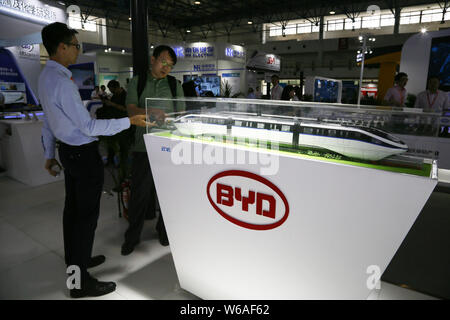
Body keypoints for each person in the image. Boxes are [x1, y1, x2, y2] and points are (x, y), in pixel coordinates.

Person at [38, 22, 150, 298]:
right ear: (62, 47)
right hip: (82, 155)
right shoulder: (62, 82)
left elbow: (48, 123)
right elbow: (88, 128)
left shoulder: (45, 77)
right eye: (76, 46)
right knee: (85, 218)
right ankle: (79, 282)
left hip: (68, 152)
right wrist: (130, 120)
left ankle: (76, 261)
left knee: (72, 213)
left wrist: (49, 155)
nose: (78, 51)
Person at [122, 45, 185, 256]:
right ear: (153, 59)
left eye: (171, 65)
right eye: (163, 61)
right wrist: (151, 111)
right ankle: (132, 236)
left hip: (169, 147)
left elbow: (182, 113)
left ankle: (164, 231)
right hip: (143, 146)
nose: (166, 67)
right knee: (139, 193)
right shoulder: (137, 82)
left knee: (169, 193)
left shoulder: (174, 85)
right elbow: (131, 109)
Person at [96, 80, 132, 183]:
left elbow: (126, 109)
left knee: (123, 149)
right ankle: (111, 161)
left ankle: (124, 174)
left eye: (111, 89)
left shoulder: (126, 96)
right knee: (111, 145)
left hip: (124, 127)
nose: (111, 91)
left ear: (116, 87)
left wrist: (112, 104)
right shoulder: (114, 96)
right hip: (115, 125)